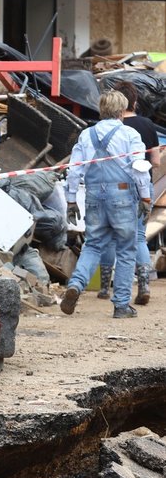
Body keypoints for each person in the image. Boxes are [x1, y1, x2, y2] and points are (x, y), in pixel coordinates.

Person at [61, 89, 151, 319]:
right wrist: (146, 198)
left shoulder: (86, 135)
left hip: (93, 196)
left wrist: (71, 201)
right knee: (126, 248)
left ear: (102, 110)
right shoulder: (130, 134)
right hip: (122, 196)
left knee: (92, 245)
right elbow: (140, 169)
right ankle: (121, 305)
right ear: (122, 111)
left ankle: (76, 285)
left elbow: (73, 171)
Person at [94, 84, 160, 304]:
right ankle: (143, 285)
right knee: (139, 237)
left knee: (111, 237)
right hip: (142, 187)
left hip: (113, 188)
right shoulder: (147, 125)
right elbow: (156, 162)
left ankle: (105, 288)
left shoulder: (102, 128)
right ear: (133, 101)